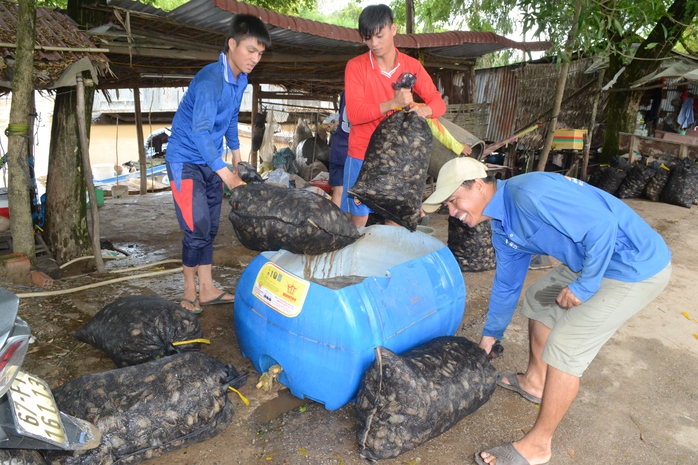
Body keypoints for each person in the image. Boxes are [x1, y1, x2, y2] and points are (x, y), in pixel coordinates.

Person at [422, 157, 672, 465]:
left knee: (566, 345)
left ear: (477, 185)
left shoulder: (530, 194)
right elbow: (506, 285)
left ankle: (539, 446)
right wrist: (491, 335)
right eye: (448, 205)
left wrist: (584, 287)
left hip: (633, 266)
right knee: (539, 299)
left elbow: (602, 226)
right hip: (590, 260)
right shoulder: (503, 226)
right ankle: (535, 383)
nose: (453, 212)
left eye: (454, 201)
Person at [165, 15, 271, 313]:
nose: (255, 58)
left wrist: (237, 159)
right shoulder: (211, 80)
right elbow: (199, 132)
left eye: (260, 53)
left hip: (212, 160)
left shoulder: (241, 79)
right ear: (232, 44)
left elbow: (231, 119)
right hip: (185, 160)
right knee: (195, 227)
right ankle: (189, 290)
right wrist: (227, 176)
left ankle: (208, 287)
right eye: (250, 50)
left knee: (210, 227)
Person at [343, 4, 446, 227]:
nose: (374, 44)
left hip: (399, 158)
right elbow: (354, 113)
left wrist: (424, 110)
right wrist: (393, 103)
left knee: (395, 219)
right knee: (358, 220)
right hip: (362, 154)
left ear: (393, 29)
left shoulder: (412, 66)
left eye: (379, 36)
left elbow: (438, 103)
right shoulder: (356, 66)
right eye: (368, 38)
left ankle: (387, 261)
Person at [329, 91, 351, 209]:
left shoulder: (345, 93)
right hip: (353, 150)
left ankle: (333, 225)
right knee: (353, 196)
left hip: (338, 148)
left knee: (338, 191)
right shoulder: (367, 92)